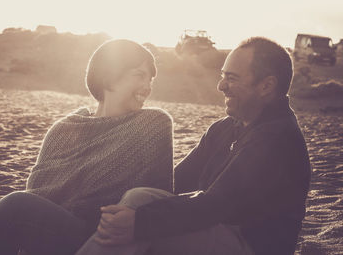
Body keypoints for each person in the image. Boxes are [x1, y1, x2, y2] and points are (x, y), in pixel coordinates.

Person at [76, 37, 311, 255]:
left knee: (138, 215)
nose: (221, 86)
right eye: (223, 76)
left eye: (232, 78)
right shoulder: (225, 129)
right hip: (214, 228)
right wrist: (112, 208)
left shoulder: (278, 139)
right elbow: (174, 182)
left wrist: (139, 222)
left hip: (249, 245)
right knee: (139, 198)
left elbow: (218, 204)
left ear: (266, 87)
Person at [0, 39, 174, 255]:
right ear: (109, 77)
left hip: (94, 235)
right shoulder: (64, 129)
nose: (147, 86)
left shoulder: (153, 124)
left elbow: (160, 197)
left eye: (151, 79)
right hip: (40, 227)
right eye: (140, 75)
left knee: (17, 206)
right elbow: (36, 193)